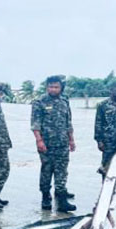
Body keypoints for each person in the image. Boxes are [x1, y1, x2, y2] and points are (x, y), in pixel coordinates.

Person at [31, 76, 76, 212]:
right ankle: (45, 196)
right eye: (51, 87)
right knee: (47, 170)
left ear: (61, 88)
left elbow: (68, 122)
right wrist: (39, 140)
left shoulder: (64, 101)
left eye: (56, 87)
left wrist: (71, 140)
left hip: (62, 143)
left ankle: (61, 199)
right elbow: (35, 124)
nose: (53, 89)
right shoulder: (39, 102)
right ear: (47, 87)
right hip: (46, 144)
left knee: (62, 170)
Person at [94, 82, 116, 179]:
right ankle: (106, 185)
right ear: (111, 91)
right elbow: (98, 123)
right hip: (108, 142)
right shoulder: (102, 105)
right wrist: (99, 141)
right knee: (106, 166)